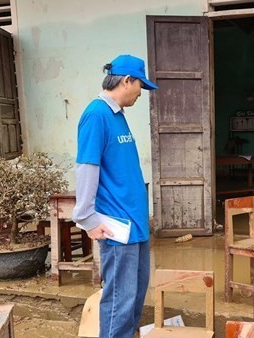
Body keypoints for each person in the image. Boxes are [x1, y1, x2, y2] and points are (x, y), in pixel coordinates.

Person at [72, 54, 157, 338]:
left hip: (135, 224)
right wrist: (85, 216)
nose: (140, 93)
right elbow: (87, 166)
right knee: (119, 302)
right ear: (126, 80)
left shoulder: (117, 115)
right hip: (116, 226)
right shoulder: (96, 115)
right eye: (139, 86)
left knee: (134, 297)